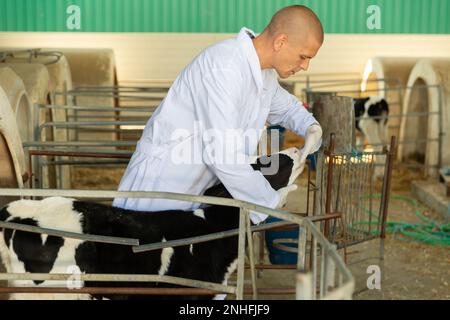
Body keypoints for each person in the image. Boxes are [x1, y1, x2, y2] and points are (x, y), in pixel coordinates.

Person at [113, 5, 324, 224]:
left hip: (195, 190)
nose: (305, 66)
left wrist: (310, 127)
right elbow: (224, 156)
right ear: (280, 42)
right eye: (303, 57)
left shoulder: (264, 73)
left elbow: (287, 108)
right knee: (140, 252)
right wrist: (268, 200)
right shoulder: (224, 68)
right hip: (160, 186)